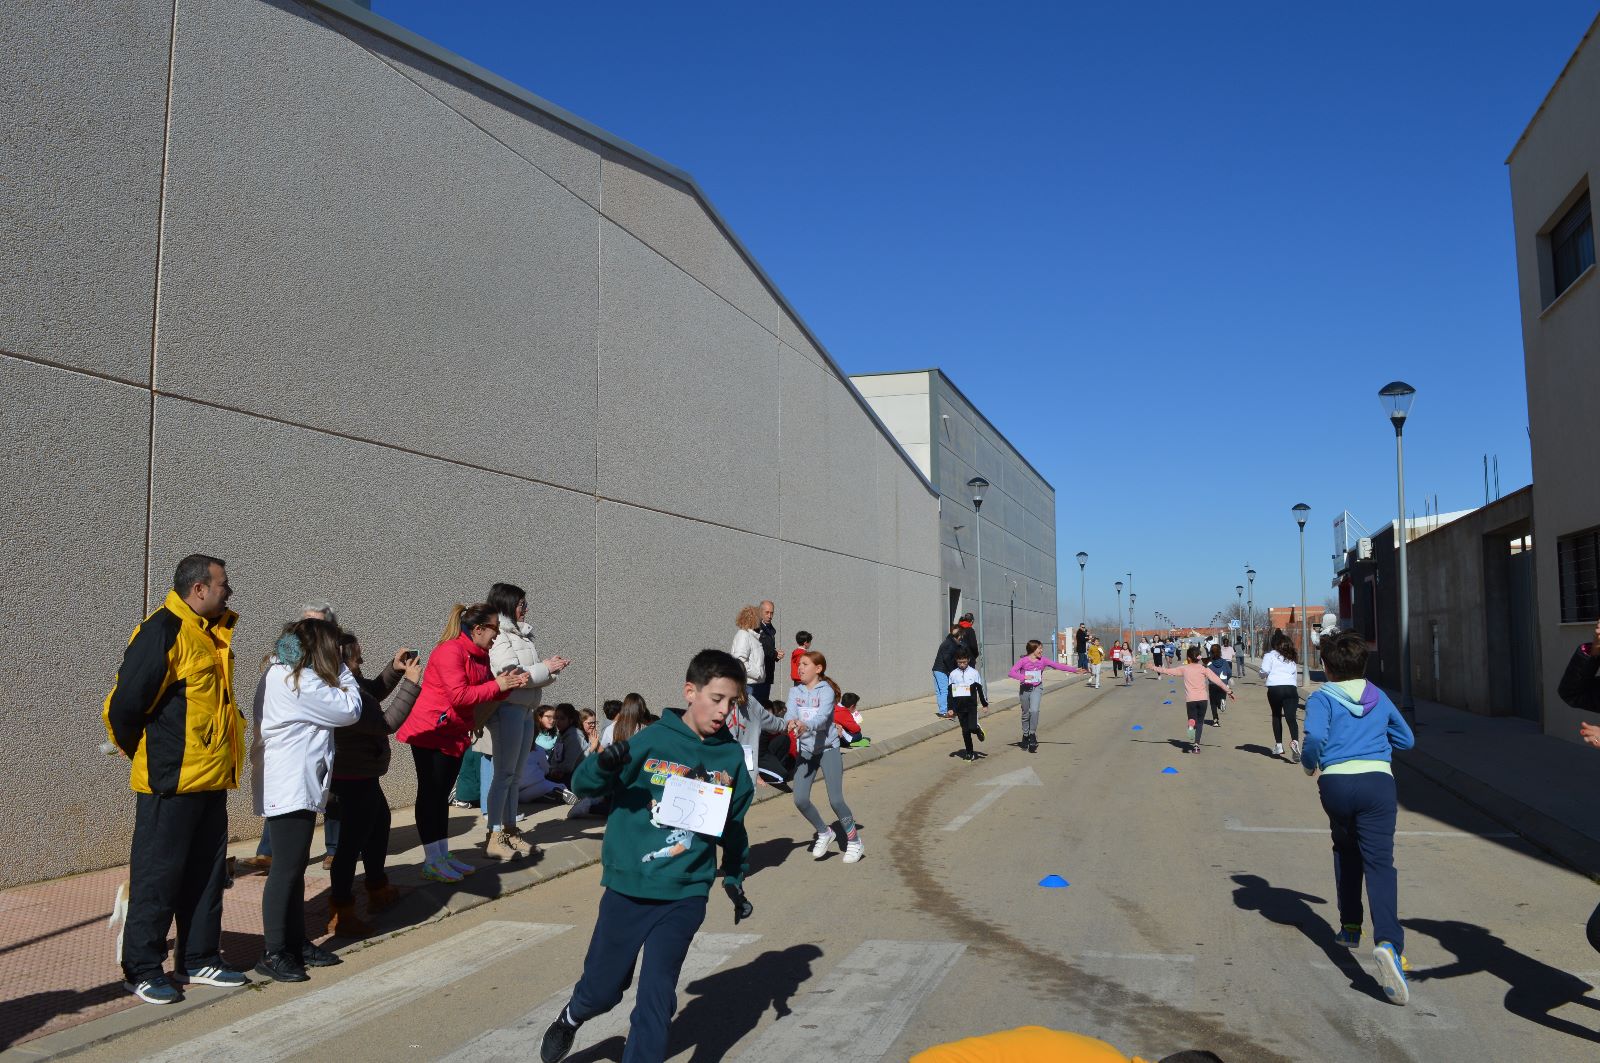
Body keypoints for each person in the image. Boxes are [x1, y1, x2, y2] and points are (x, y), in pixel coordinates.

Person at [539, 650, 755, 1063]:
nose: (724, 711)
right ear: (690, 692)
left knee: (657, 997)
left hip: (686, 891)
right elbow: (583, 785)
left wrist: (734, 877)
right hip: (629, 886)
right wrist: (605, 763)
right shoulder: (652, 740)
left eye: (733, 702)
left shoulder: (730, 757)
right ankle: (572, 1016)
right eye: (716, 698)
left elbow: (734, 825)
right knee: (603, 990)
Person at [103, 554, 248, 1004]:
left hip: (211, 781)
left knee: (207, 875)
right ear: (199, 589)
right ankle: (142, 968)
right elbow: (123, 707)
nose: (230, 592)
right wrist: (149, 754)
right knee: (157, 878)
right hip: (170, 783)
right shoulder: (164, 630)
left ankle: (199, 957)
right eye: (223, 585)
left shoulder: (211, 634)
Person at [1300, 630, 1416, 1005]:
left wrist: (1309, 763)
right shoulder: (1378, 697)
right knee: (1380, 864)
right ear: (1363, 664)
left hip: (1335, 783)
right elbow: (1407, 739)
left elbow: (1314, 739)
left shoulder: (1322, 698)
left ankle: (1350, 926)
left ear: (1326, 666)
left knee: (1345, 849)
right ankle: (1389, 944)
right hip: (1377, 782)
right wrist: (1379, 744)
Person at [252, 618, 363, 981]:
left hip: (297, 785)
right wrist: (346, 671)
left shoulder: (295, 676)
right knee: (285, 870)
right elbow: (350, 710)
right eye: (334, 649)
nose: (338, 655)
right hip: (290, 787)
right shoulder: (295, 680)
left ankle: (294, 942)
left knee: (294, 867)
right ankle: (273, 952)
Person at [396, 603, 529, 883]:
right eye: (494, 628)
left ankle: (442, 855)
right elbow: (459, 696)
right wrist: (498, 686)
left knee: (440, 796)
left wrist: (507, 685)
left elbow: (481, 694)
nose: (497, 635)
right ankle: (432, 859)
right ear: (478, 628)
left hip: (453, 732)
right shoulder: (450, 651)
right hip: (431, 731)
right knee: (431, 796)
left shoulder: (480, 654)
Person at [326, 632, 422, 937]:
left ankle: (378, 889)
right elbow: (385, 723)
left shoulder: (348, 681)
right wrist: (411, 684)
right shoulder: (339, 688)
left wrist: (393, 671)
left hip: (362, 772)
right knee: (350, 845)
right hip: (352, 776)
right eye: (358, 655)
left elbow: (369, 693)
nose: (362, 658)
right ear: (344, 657)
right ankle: (342, 913)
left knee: (379, 825)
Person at [481, 582, 568, 861]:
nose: (525, 608)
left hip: (524, 710)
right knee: (504, 774)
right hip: (507, 710)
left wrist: (549, 668)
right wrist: (546, 668)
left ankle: (510, 830)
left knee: (514, 776)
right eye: (521, 603)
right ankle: (494, 835)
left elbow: (530, 675)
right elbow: (509, 673)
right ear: (507, 604)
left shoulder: (522, 635)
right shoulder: (500, 636)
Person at [788, 650, 864, 861]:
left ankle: (855, 842)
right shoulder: (796, 692)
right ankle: (824, 832)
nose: (800, 668)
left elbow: (822, 718)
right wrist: (790, 721)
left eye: (804, 664)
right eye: (798, 664)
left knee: (836, 801)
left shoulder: (827, 691)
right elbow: (790, 712)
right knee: (800, 799)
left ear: (818, 669)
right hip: (806, 751)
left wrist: (805, 725)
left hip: (828, 749)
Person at [1153, 646, 1234, 754]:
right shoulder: (1204, 669)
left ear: (1188, 658)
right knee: (1200, 723)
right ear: (1198, 658)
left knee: (1192, 720)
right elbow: (1218, 681)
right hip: (1203, 700)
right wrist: (1229, 691)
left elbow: (1168, 671)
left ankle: (1191, 727)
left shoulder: (1184, 668)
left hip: (1191, 700)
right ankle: (1196, 745)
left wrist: (1154, 668)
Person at [1007, 640, 1079, 752]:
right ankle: (1025, 735)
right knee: (1025, 714)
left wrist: (1075, 670)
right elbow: (1011, 672)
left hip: (1037, 688)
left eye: (1042, 648)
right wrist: (1024, 677)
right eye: (1039, 648)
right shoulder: (1023, 661)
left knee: (1034, 711)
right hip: (1025, 689)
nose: (1041, 650)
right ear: (1033, 649)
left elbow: (1058, 666)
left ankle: (1032, 735)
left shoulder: (1043, 660)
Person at [1259, 631, 1303, 762]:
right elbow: (1294, 676)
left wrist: (1262, 675)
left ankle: (1279, 745)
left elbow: (1265, 671)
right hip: (1291, 689)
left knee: (1276, 715)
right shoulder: (1291, 657)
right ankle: (1295, 741)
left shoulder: (1270, 655)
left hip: (1275, 688)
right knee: (1291, 718)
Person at [947, 653, 989, 760]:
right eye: (959, 662)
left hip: (971, 706)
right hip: (959, 707)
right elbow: (950, 693)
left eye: (964, 662)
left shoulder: (974, 673)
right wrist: (950, 708)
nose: (962, 664)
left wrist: (984, 704)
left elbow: (980, 689)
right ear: (956, 661)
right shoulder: (953, 674)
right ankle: (969, 752)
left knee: (972, 727)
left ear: (968, 660)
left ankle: (977, 730)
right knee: (965, 731)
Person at [730, 605, 765, 701]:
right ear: (753, 618)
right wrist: (757, 674)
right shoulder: (743, 635)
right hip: (749, 685)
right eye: (758, 617)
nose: (760, 620)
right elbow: (739, 661)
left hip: (755, 684)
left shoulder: (752, 636)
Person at [931, 624, 966, 718]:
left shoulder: (949, 641)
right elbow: (947, 658)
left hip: (937, 669)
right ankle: (944, 711)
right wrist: (952, 671)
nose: (961, 638)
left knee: (940, 691)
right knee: (944, 691)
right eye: (961, 636)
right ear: (959, 635)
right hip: (941, 670)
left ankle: (942, 710)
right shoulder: (950, 644)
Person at [754, 600, 780, 706]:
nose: (770, 616)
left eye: (772, 613)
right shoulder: (756, 628)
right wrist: (774, 653)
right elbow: (759, 647)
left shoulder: (770, 629)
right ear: (760, 612)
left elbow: (767, 648)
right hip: (758, 675)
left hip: (767, 673)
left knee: (764, 705)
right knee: (756, 705)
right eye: (767, 612)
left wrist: (775, 655)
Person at [1204, 644, 1232, 727]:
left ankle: (1215, 721)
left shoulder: (1209, 663)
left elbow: (1205, 672)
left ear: (1211, 653)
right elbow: (1229, 673)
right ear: (1220, 652)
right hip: (1223, 684)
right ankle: (1221, 702)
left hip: (1213, 684)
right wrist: (1227, 679)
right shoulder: (1225, 662)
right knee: (1221, 698)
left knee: (1213, 703)